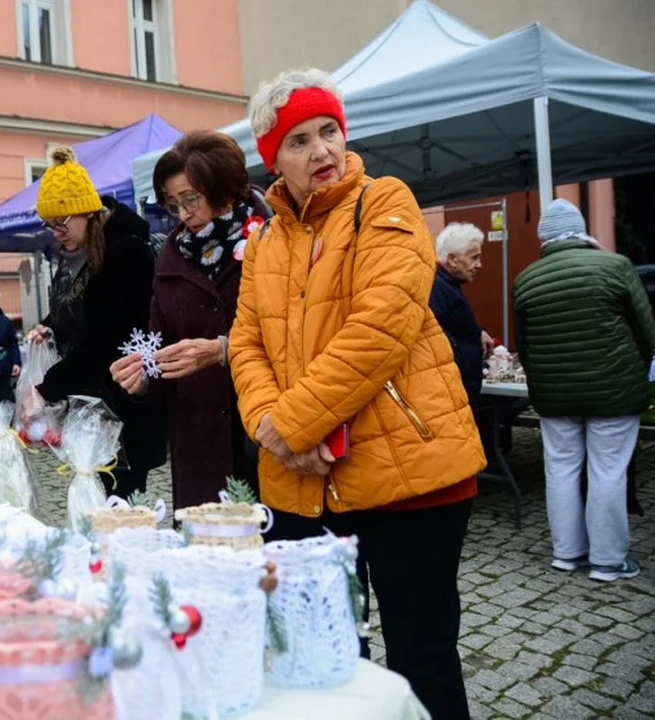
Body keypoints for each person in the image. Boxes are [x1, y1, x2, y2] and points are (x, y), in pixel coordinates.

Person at [229, 67, 485, 719]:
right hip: (299, 481)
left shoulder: (385, 201)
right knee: (317, 652)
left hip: (408, 477)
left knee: (420, 654)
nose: (321, 150)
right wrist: (270, 427)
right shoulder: (262, 244)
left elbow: (381, 326)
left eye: (329, 131)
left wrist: (290, 428)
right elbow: (245, 345)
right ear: (272, 159)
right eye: (299, 140)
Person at [109, 130, 269, 508]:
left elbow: (295, 337)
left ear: (224, 191)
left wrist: (223, 351)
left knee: (266, 557)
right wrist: (143, 375)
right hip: (198, 444)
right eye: (172, 203)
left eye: (190, 200)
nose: (182, 215)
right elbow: (161, 345)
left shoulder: (270, 238)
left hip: (260, 433)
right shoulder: (171, 255)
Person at [514, 198, 655, 582]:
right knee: (607, 471)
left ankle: (566, 553)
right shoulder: (616, 266)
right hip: (614, 388)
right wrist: (640, 370)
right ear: (581, 231)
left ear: (545, 238)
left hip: (555, 395)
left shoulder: (526, 279)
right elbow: (646, 331)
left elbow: (524, 345)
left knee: (560, 469)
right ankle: (608, 561)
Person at [27, 145, 166, 498]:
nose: (56, 232)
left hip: (123, 407)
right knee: (97, 498)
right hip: (94, 406)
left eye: (62, 222)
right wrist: (51, 326)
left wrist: (46, 389)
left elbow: (105, 339)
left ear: (87, 213)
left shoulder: (126, 253)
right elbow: (81, 313)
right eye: (49, 224)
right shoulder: (81, 255)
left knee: (121, 506)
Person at [430, 222, 495, 406]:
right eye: (474, 257)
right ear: (452, 259)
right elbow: (438, 339)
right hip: (452, 394)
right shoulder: (438, 288)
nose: (479, 265)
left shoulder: (447, 285)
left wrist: (477, 332)